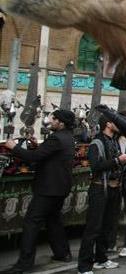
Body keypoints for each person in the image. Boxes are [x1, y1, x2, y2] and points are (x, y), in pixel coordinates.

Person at [1, 110, 76, 274]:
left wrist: (13, 147)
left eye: (54, 118)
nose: (51, 121)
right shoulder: (68, 136)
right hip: (60, 188)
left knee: (31, 223)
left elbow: (33, 158)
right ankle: (63, 253)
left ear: (61, 123)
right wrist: (38, 146)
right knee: (53, 220)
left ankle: (24, 264)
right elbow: (48, 154)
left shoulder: (56, 138)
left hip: (48, 189)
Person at [76, 113, 126, 274]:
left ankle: (101, 259)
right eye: (116, 122)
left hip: (114, 189)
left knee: (107, 227)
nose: (119, 125)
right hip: (100, 188)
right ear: (108, 124)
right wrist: (117, 161)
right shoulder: (97, 142)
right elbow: (95, 165)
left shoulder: (114, 140)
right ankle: (84, 266)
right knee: (93, 228)